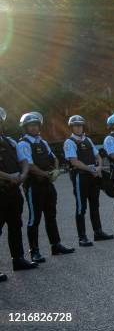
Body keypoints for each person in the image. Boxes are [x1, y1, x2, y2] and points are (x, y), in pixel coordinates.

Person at [17, 112, 75, 263]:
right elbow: (29, 165)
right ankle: (34, 252)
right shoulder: (23, 144)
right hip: (34, 186)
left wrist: (55, 169)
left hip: (48, 185)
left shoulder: (42, 142)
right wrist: (47, 174)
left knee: (51, 216)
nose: (34, 127)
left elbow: (54, 158)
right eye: (31, 125)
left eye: (36, 125)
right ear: (25, 127)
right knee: (34, 219)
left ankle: (55, 245)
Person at [63, 115, 114, 247]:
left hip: (93, 176)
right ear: (72, 127)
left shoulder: (88, 140)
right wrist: (90, 169)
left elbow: (97, 156)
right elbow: (74, 161)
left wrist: (99, 167)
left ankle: (98, 232)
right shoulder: (69, 142)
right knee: (81, 207)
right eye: (76, 126)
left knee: (95, 205)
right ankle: (82, 237)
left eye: (80, 125)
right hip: (80, 176)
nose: (79, 127)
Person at [0, 107, 38, 279]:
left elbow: (23, 161)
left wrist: (22, 175)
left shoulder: (11, 142)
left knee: (15, 226)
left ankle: (18, 259)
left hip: (14, 192)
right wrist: (9, 177)